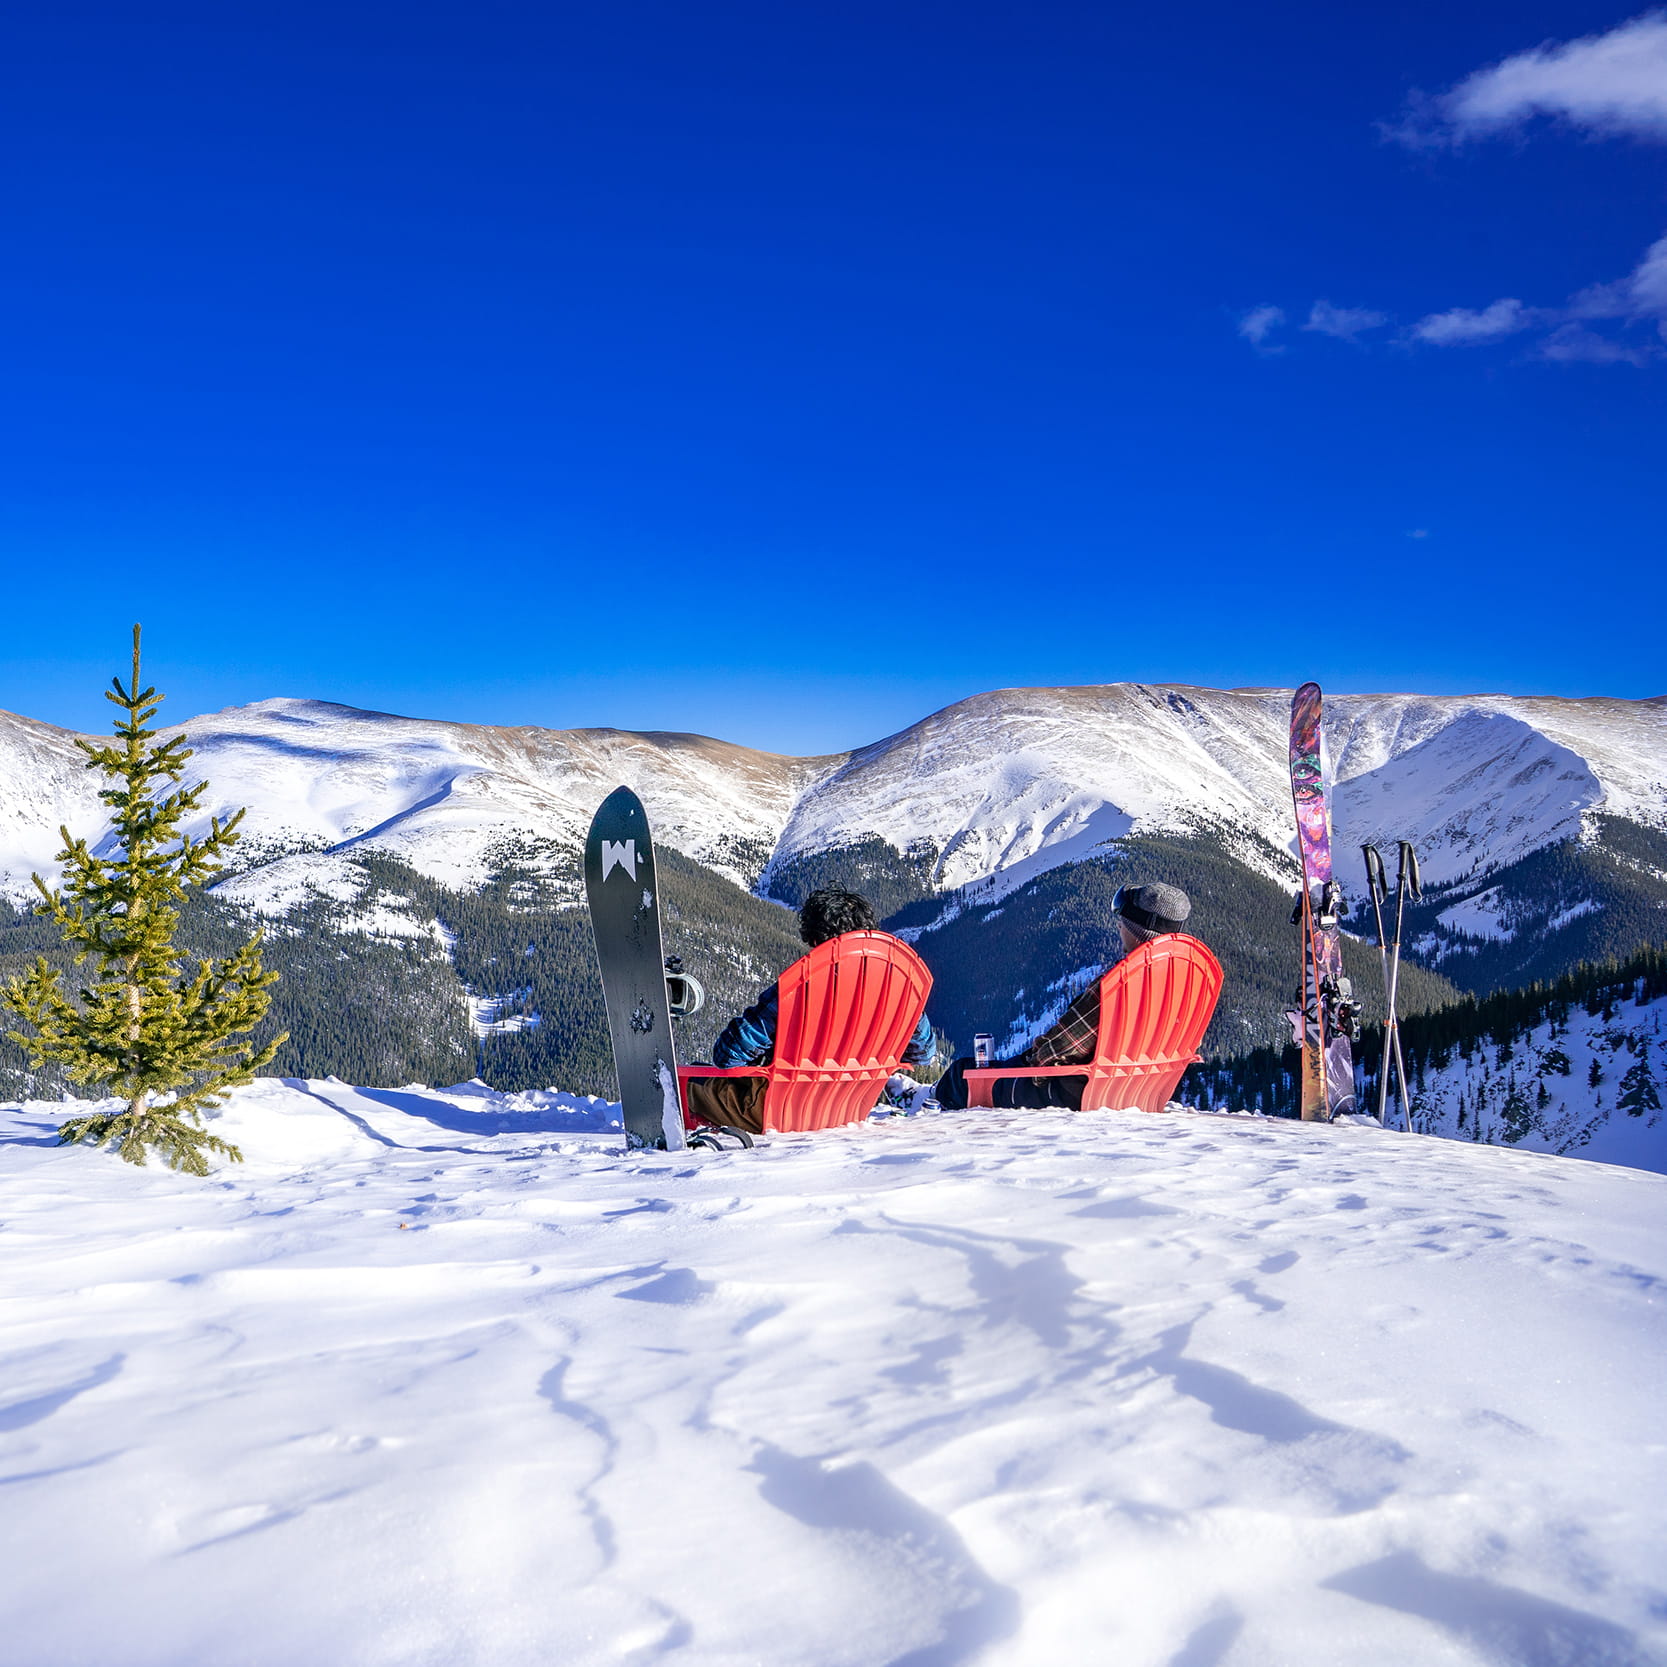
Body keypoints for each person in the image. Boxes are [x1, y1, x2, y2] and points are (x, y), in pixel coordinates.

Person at [689, 887, 936, 1130]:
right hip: (849, 1109)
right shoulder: (896, 989)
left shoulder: (800, 988)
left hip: (777, 1111)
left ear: (816, 940)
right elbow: (924, 1052)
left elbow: (728, 1056)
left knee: (683, 1082)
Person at [934, 881, 1194, 1111]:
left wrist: (1031, 1059)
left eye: (1123, 920)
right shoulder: (1185, 980)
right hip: (1140, 1090)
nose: (1118, 925)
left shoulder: (1119, 986)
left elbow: (1057, 1049)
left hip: (1075, 1093)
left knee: (962, 1075)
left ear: (1136, 930)